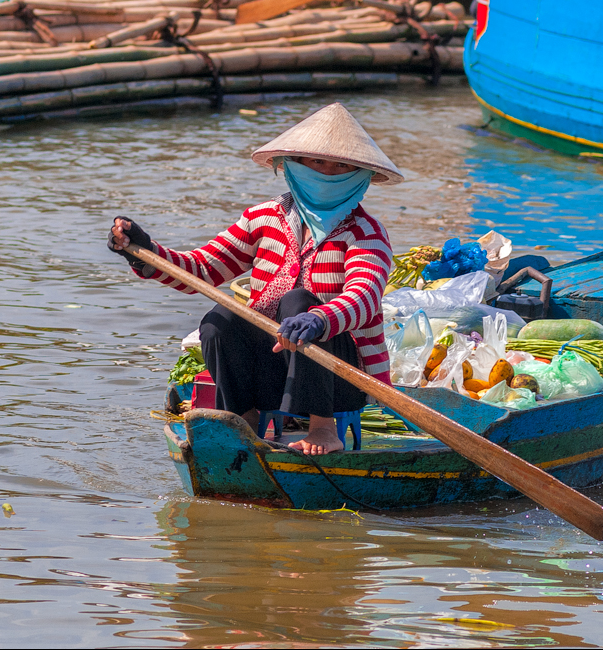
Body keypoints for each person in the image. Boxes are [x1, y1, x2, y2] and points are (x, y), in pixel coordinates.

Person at [107, 103, 401, 455]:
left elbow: (364, 297)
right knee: (220, 318)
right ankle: (242, 419)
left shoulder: (365, 232)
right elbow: (202, 268)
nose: (327, 174)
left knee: (298, 302)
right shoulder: (264, 218)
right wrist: (146, 250)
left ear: (358, 175)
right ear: (293, 164)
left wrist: (318, 318)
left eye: (341, 166)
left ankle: (323, 428)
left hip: (339, 376)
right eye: (317, 163)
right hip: (273, 370)